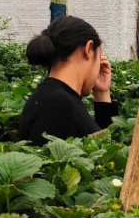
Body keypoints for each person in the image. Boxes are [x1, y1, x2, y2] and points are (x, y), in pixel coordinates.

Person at [19, 16, 118, 145]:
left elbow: (104, 146)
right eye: (99, 57)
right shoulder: (59, 104)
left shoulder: (54, 96)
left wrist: (102, 93)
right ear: (88, 49)